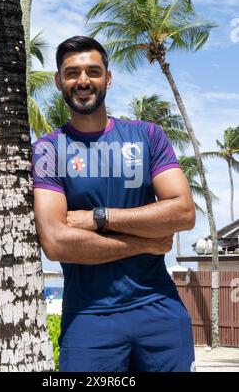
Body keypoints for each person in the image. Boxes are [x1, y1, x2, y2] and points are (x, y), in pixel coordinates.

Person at [32, 36, 196, 372]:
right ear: (59, 81)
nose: (83, 80)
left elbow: (183, 211)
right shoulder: (49, 150)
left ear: (107, 78)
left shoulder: (148, 136)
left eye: (93, 71)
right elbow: (55, 241)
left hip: (160, 310)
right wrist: (148, 241)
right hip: (89, 318)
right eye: (72, 72)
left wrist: (98, 218)